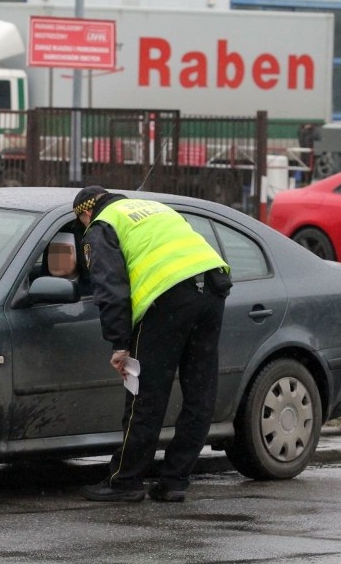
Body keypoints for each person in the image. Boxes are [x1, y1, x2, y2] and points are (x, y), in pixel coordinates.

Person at [73, 185, 231, 503]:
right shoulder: (155, 208)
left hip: (168, 300)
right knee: (200, 393)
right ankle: (175, 480)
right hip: (212, 290)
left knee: (145, 396)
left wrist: (119, 344)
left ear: (85, 213)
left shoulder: (101, 225)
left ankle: (126, 482)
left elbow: (109, 286)